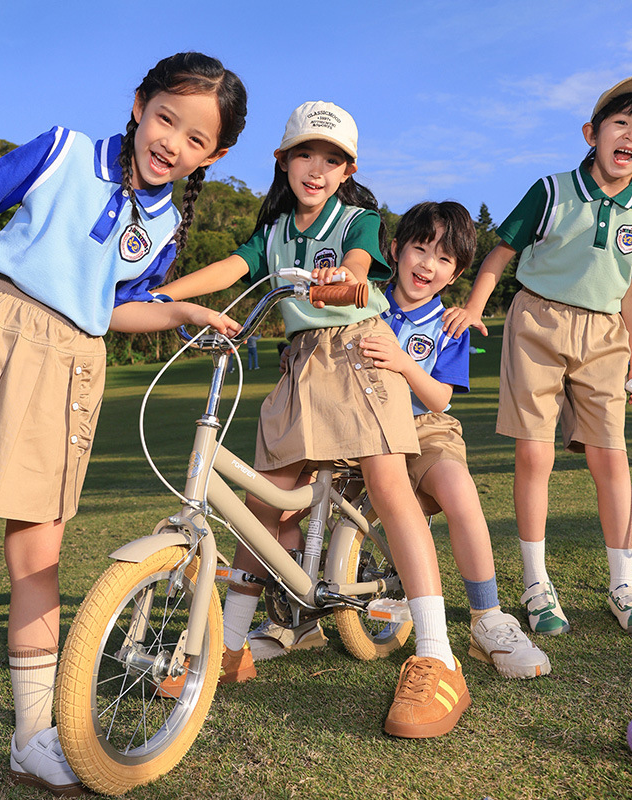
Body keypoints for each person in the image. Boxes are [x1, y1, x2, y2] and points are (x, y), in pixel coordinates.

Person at [0, 52, 246, 796]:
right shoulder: (62, 152)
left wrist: (176, 309)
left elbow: (114, 307)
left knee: (38, 560)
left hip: (71, 366)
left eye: (196, 139)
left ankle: (29, 739)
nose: (172, 142)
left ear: (215, 155)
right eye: (166, 118)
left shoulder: (167, 223)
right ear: (140, 105)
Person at [164, 101, 470, 738]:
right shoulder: (274, 231)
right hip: (298, 365)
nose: (316, 168)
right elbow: (236, 269)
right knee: (264, 508)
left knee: (389, 488)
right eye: (305, 154)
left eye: (331, 160)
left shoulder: (357, 219)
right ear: (284, 160)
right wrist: (165, 293)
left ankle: (437, 654)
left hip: (358, 352)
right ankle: (234, 647)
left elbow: (359, 269)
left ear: (346, 169)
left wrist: (344, 278)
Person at [442, 75, 632, 637]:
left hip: (605, 336)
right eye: (620, 123)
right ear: (591, 133)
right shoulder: (551, 190)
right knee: (534, 456)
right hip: (537, 323)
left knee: (610, 458)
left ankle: (624, 586)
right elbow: (502, 252)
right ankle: (536, 586)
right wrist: (476, 306)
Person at [359, 201, 550, 678]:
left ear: (455, 272)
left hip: (426, 427)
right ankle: (298, 614)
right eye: (419, 249)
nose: (428, 264)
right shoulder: (364, 302)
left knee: (459, 490)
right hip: (362, 428)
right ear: (396, 250)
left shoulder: (450, 325)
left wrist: (403, 363)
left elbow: (440, 399)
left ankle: (488, 618)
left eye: (443, 259)